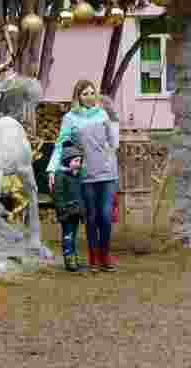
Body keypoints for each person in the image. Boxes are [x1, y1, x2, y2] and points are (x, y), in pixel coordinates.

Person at [46, 80, 120, 272]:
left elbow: (113, 142)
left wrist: (112, 126)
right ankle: (94, 256)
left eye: (92, 92)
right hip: (86, 175)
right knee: (92, 217)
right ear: (78, 96)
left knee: (105, 216)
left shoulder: (102, 114)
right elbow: (61, 144)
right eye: (85, 93)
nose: (89, 96)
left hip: (107, 172)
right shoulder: (70, 118)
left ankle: (105, 254)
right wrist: (52, 168)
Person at [53, 138, 87, 272]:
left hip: (76, 211)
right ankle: (69, 259)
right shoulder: (60, 176)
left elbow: (80, 195)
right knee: (68, 235)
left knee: (74, 235)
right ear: (67, 161)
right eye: (76, 161)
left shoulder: (78, 176)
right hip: (67, 212)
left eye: (80, 161)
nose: (79, 164)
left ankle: (74, 257)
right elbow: (58, 195)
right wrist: (62, 210)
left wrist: (82, 210)